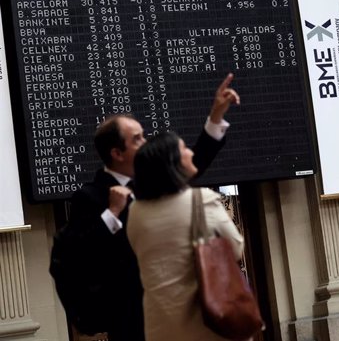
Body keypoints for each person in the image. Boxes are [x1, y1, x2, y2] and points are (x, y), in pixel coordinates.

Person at [66, 73, 240, 341]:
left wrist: (215, 116)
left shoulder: (154, 183)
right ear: (117, 153)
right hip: (131, 318)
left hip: (183, 310)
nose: (146, 142)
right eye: (137, 138)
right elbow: (81, 254)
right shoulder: (88, 197)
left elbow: (193, 162)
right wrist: (111, 213)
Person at [127, 131, 245, 341]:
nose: (190, 153)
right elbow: (236, 248)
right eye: (183, 149)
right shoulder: (201, 199)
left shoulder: (135, 212)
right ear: (172, 163)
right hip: (206, 323)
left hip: (159, 327)